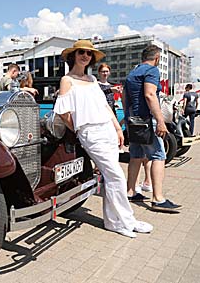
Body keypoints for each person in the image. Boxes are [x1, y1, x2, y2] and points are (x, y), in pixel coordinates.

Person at [54, 39, 152, 238]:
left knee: (111, 177)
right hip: (90, 132)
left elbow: (105, 106)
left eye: (89, 53)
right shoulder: (67, 80)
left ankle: (113, 221)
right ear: (73, 55)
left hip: (106, 128)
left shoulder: (91, 80)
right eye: (81, 52)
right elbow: (63, 113)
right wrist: (79, 129)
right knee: (116, 175)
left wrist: (117, 128)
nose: (85, 56)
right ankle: (127, 220)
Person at [123, 44, 182, 212]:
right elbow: (150, 94)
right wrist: (160, 121)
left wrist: (128, 120)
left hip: (133, 121)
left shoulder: (132, 73)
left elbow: (125, 99)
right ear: (156, 58)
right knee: (158, 156)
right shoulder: (152, 71)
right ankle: (158, 198)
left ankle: (130, 191)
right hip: (147, 120)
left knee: (135, 155)